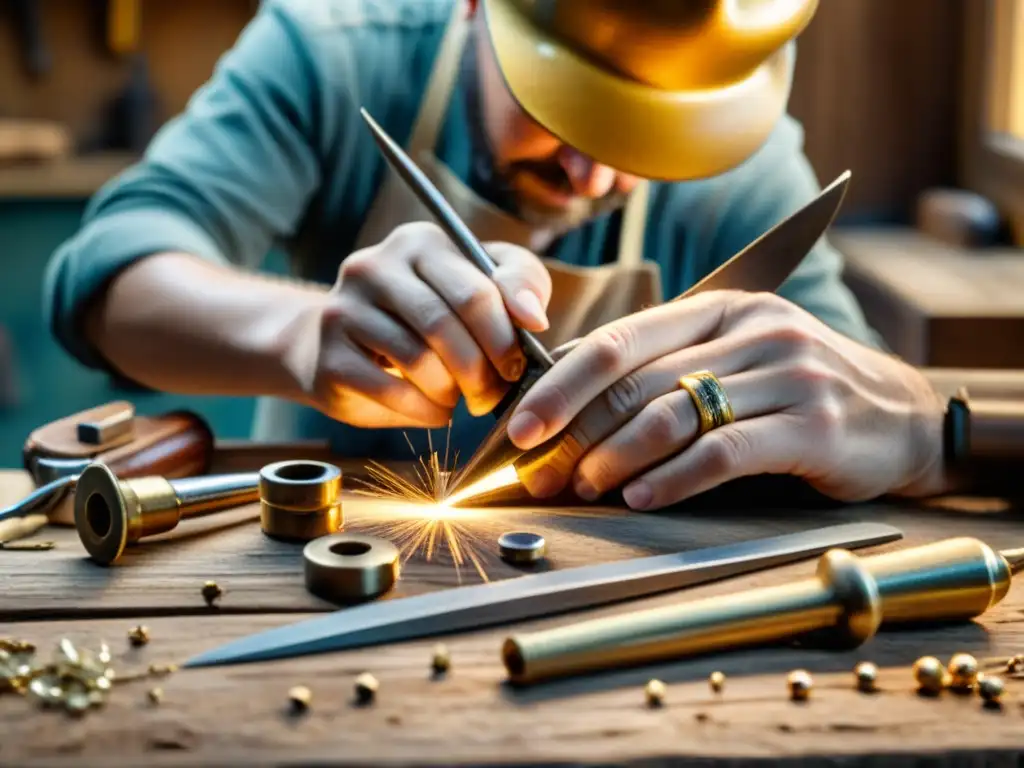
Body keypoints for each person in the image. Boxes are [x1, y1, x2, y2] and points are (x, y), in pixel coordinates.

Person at [42, 0, 953, 509]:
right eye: (560, 111)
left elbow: (844, 385)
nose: (591, 176)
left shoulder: (748, 170)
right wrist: (303, 336)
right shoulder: (330, 54)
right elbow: (107, 275)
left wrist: (907, 423)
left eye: (645, 140)